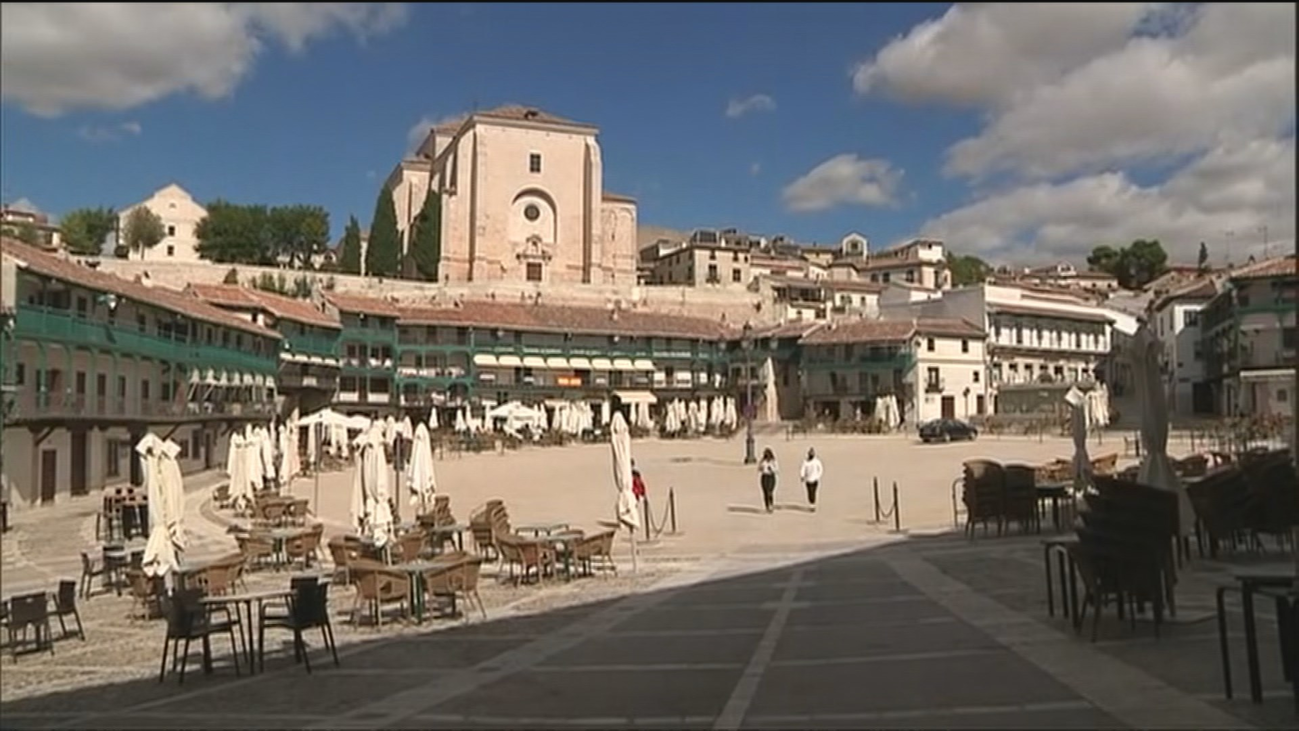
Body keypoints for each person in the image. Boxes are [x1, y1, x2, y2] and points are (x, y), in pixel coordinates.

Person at [757, 448, 778, 513]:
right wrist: (761, 468)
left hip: (771, 476)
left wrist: (771, 469)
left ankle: (771, 504)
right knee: (765, 492)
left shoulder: (773, 461)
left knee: (770, 491)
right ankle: (767, 506)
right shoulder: (763, 461)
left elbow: (777, 470)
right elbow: (759, 469)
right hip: (764, 476)